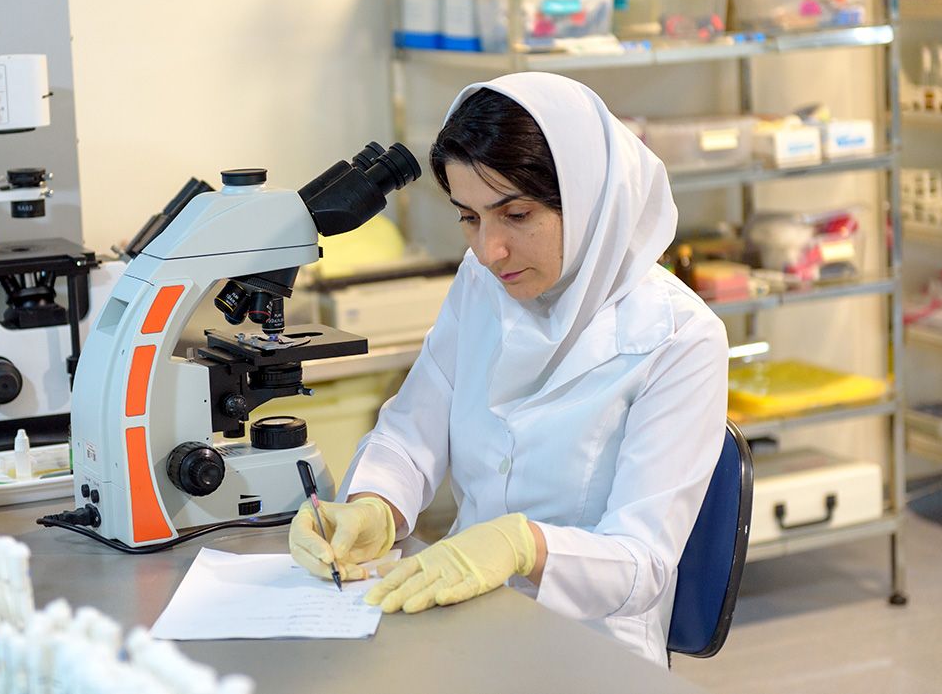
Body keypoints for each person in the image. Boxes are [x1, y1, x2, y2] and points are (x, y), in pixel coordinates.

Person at [289, 71, 729, 666]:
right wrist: (373, 505)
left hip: (591, 653)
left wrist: (525, 546)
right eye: (469, 218)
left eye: (516, 214)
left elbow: (641, 565)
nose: (488, 250)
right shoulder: (483, 282)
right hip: (462, 620)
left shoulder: (681, 338)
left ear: (589, 199)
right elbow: (411, 432)